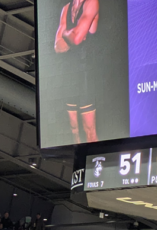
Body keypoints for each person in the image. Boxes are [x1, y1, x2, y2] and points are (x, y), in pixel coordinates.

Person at [53, 0, 101, 144]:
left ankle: (97, 164)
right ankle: (79, 166)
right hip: (70, 77)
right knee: (73, 130)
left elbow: (78, 38)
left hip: (86, 75)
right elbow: (57, 46)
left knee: (89, 131)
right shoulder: (66, 9)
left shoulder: (91, 2)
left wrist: (66, 34)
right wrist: (71, 34)